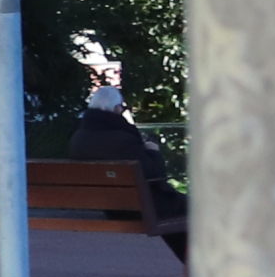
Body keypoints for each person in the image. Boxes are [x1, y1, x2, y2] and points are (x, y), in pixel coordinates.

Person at [69, 84, 188, 265]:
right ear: (117, 109)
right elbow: (155, 174)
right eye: (123, 108)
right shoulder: (123, 139)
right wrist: (154, 151)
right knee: (188, 208)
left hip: (110, 206)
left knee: (177, 214)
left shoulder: (78, 138)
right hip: (138, 207)